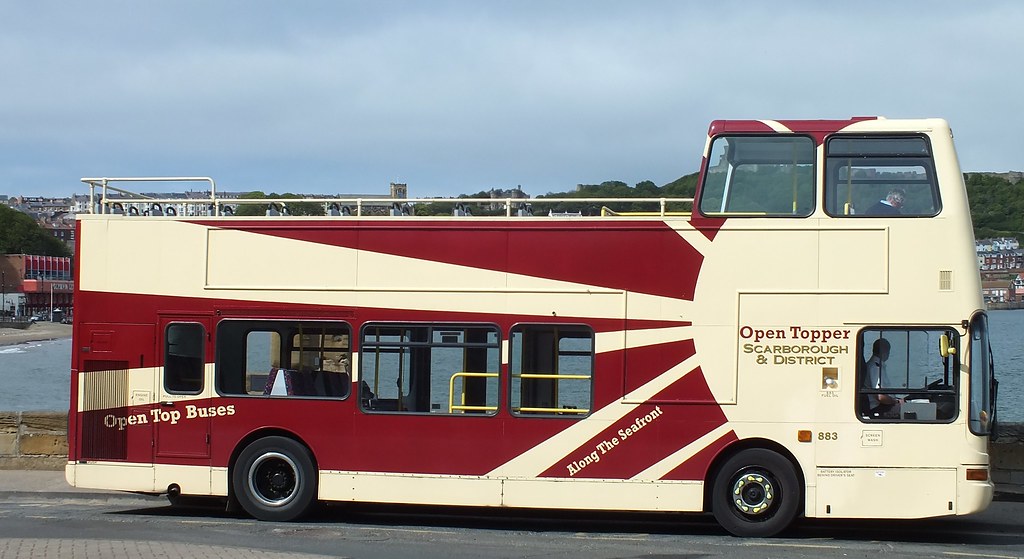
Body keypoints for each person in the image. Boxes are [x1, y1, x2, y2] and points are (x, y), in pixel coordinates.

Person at [864, 338, 902, 417]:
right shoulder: (875, 367)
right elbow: (880, 397)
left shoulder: (876, 365)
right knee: (908, 410)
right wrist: (896, 401)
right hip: (877, 408)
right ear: (884, 352)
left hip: (882, 405)